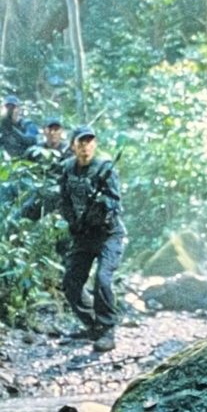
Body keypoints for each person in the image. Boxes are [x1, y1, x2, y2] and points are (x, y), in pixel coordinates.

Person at [57, 126, 125, 352]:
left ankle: (107, 330)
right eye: (81, 142)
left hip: (108, 234)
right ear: (73, 145)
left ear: (94, 145)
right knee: (71, 282)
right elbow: (64, 200)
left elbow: (116, 202)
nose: (85, 147)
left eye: (89, 142)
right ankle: (93, 324)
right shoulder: (67, 169)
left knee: (103, 279)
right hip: (83, 234)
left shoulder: (105, 168)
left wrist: (102, 204)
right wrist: (72, 221)